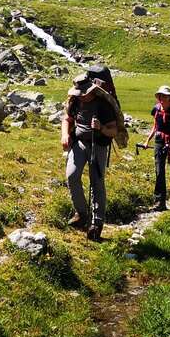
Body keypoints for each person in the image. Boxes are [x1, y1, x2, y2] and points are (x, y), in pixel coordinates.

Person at [62, 67, 122, 241]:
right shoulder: (75, 101)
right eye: (78, 93)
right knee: (72, 176)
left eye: (83, 93)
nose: (81, 96)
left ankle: (97, 223)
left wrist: (101, 128)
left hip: (99, 146)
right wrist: (65, 135)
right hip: (79, 144)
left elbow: (113, 130)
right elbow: (67, 118)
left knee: (96, 182)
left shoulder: (102, 105)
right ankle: (81, 213)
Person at [143, 85, 170, 210]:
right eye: (160, 96)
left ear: (169, 98)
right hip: (159, 140)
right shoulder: (156, 109)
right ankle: (159, 201)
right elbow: (155, 126)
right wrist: (147, 141)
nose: (162, 98)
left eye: (165, 96)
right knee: (159, 171)